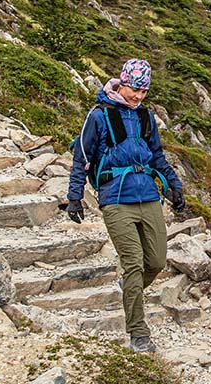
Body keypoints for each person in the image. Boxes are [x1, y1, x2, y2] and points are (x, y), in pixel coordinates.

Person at [66, 58, 185, 353]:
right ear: (123, 82)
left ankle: (127, 287)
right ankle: (138, 334)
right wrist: (74, 196)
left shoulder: (144, 117)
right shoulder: (100, 114)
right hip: (116, 198)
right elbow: (82, 157)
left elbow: (156, 156)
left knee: (156, 262)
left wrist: (175, 186)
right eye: (135, 90)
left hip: (147, 194)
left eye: (144, 92)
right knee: (133, 263)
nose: (138, 97)